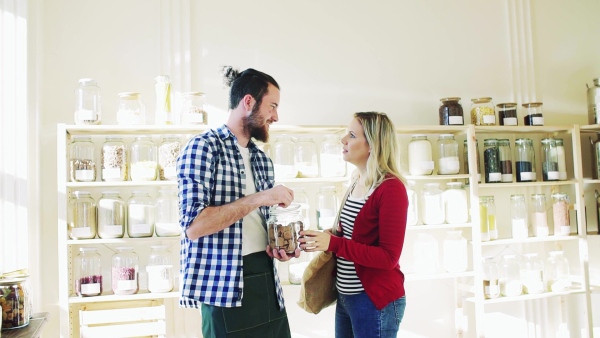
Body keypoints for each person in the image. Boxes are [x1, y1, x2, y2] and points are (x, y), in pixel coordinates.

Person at [177, 66, 300, 338]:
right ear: (248, 102)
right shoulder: (203, 148)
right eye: (273, 106)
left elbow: (261, 223)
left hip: (266, 281)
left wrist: (281, 246)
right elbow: (194, 227)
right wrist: (262, 197)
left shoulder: (261, 159)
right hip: (222, 287)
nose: (276, 116)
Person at [299, 111, 408, 338]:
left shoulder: (391, 189)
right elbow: (352, 237)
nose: (343, 140)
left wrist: (335, 243)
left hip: (373, 300)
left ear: (372, 145)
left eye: (351, 135)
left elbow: (389, 257)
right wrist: (327, 238)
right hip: (346, 297)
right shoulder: (356, 181)